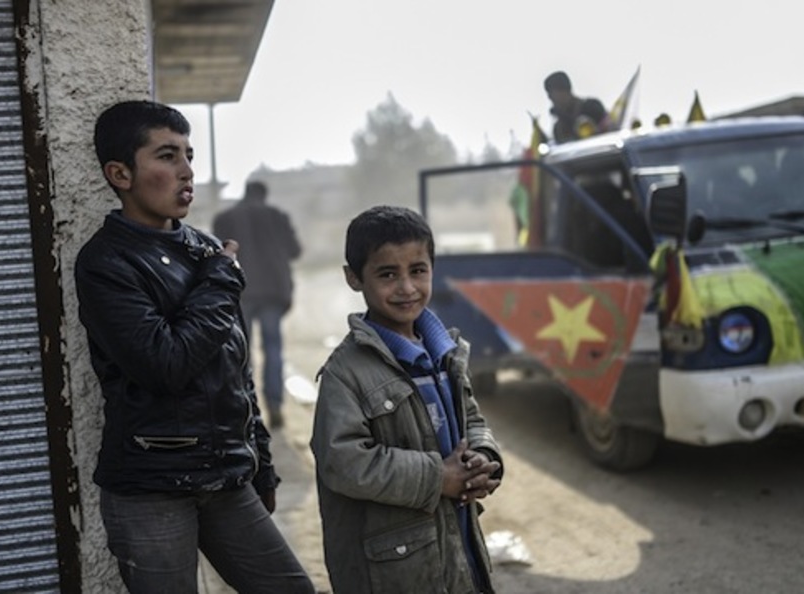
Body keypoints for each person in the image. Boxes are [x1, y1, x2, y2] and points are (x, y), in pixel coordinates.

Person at [75, 100, 314, 594]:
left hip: (227, 479)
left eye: (188, 154)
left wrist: (260, 463)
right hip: (152, 488)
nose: (186, 170)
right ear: (120, 174)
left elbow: (235, 371)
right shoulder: (105, 262)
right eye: (166, 156)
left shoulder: (204, 250)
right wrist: (220, 282)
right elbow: (167, 363)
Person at [310, 205, 505, 593]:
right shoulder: (345, 372)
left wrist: (485, 459)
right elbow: (343, 461)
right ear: (354, 278)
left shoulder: (446, 353)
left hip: (456, 547)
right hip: (393, 572)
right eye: (387, 274)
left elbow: (472, 420)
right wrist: (439, 477)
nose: (407, 288)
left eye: (418, 270)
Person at [213, 180, 301, 429]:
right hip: (273, 291)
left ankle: (245, 407)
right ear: (264, 194)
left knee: (241, 351)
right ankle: (274, 404)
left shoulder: (226, 218)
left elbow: (217, 254)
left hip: (240, 292)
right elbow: (295, 251)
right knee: (273, 348)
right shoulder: (277, 216)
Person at [544, 70, 611, 143]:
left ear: (565, 90)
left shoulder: (591, 107)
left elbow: (609, 130)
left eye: (552, 93)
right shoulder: (558, 128)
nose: (550, 98)